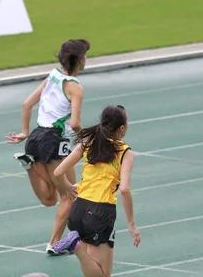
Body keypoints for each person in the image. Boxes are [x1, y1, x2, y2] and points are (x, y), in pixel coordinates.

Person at [6, 38, 91, 255]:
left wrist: (24, 132)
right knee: (71, 195)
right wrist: (85, 138)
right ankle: (54, 244)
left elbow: (27, 104)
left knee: (50, 199)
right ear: (80, 60)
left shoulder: (52, 75)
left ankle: (28, 166)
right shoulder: (76, 88)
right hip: (54, 141)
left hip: (35, 138)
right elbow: (74, 123)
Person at [51, 105, 141, 277]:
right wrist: (131, 224)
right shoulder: (125, 152)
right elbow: (124, 189)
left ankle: (76, 246)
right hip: (100, 212)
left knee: (92, 269)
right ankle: (76, 247)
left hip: (78, 208)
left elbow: (58, 172)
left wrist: (69, 186)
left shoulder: (88, 142)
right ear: (121, 128)